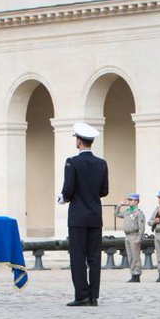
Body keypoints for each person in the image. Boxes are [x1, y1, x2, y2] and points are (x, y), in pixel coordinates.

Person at [60, 122, 108, 306]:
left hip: (78, 216)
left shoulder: (72, 162)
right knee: (94, 257)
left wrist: (63, 197)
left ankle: (82, 295)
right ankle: (94, 296)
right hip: (95, 216)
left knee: (78, 257)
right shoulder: (101, 164)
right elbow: (104, 191)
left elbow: (68, 190)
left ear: (79, 141)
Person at [122, 193, 145, 282]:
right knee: (130, 256)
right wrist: (119, 205)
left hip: (134, 236)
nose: (129, 202)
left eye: (131, 200)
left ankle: (137, 274)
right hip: (127, 236)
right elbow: (116, 214)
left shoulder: (139, 213)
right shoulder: (127, 212)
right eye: (129, 200)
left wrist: (139, 238)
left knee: (135, 256)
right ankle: (133, 273)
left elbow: (141, 227)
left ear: (136, 201)